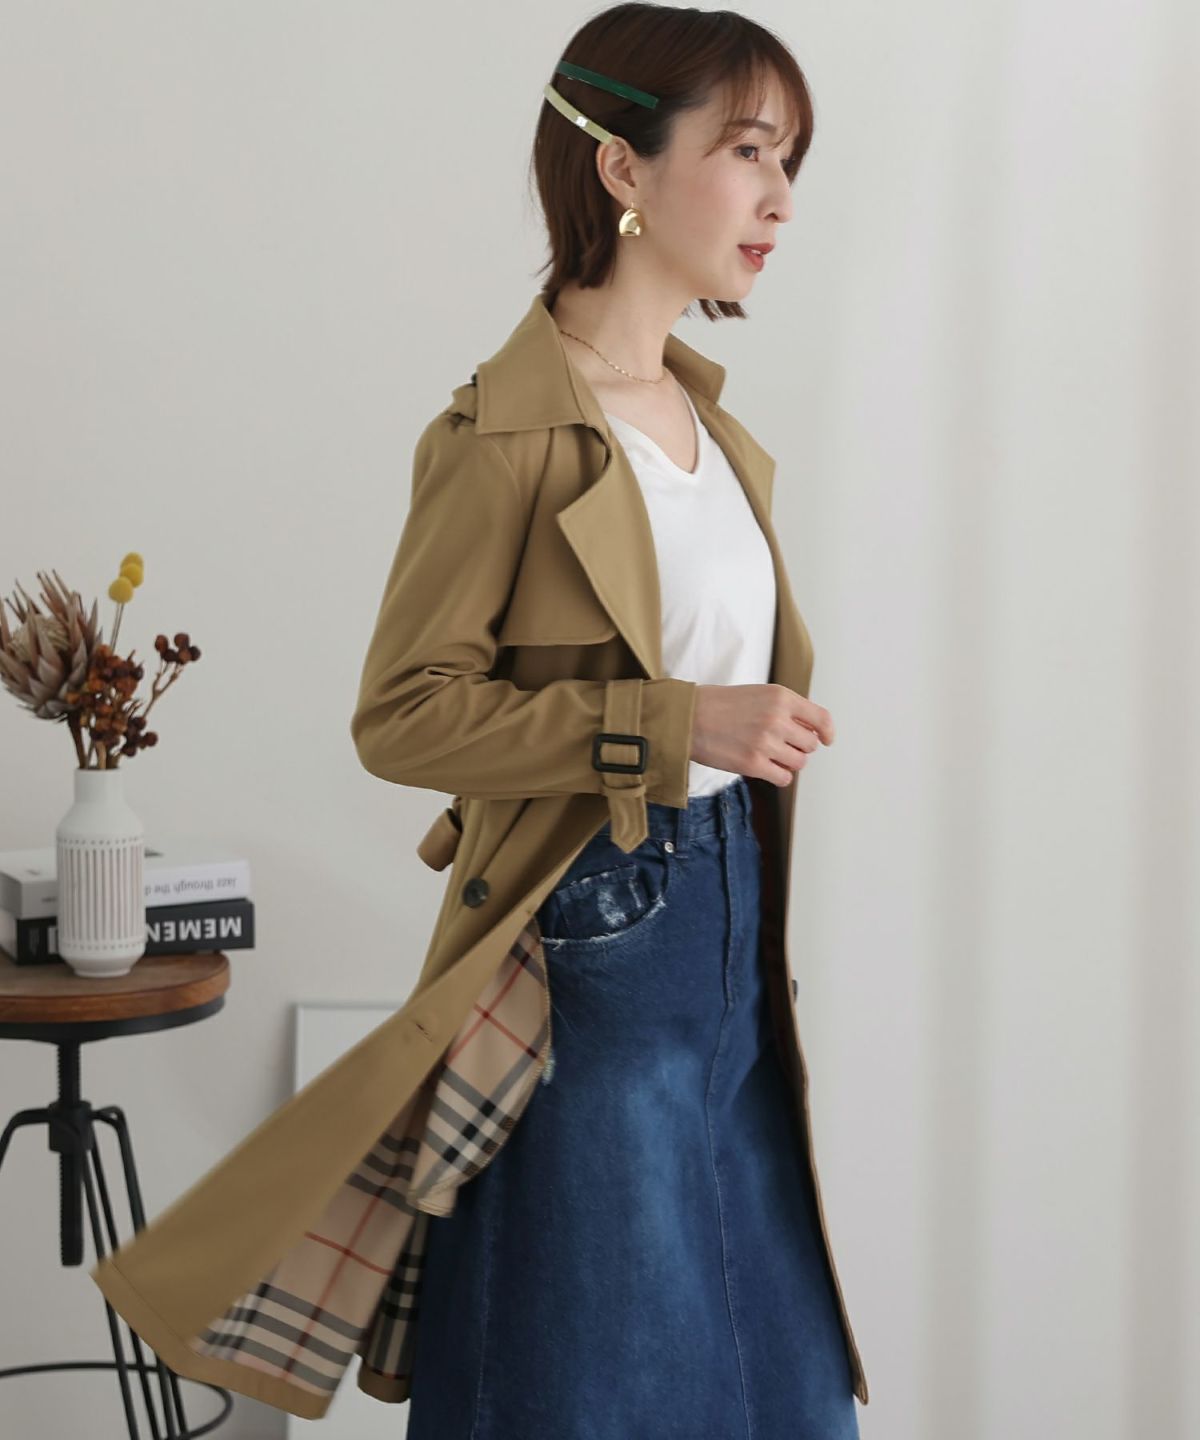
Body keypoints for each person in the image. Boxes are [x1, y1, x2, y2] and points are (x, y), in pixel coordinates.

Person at [395, 6, 865, 1438]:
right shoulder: (502, 436)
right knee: (596, 1386)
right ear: (621, 167)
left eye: (790, 161)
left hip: (733, 937)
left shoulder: (714, 428)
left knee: (778, 1390)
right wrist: (669, 728)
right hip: (592, 940)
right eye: (748, 152)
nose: (781, 199)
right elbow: (407, 714)